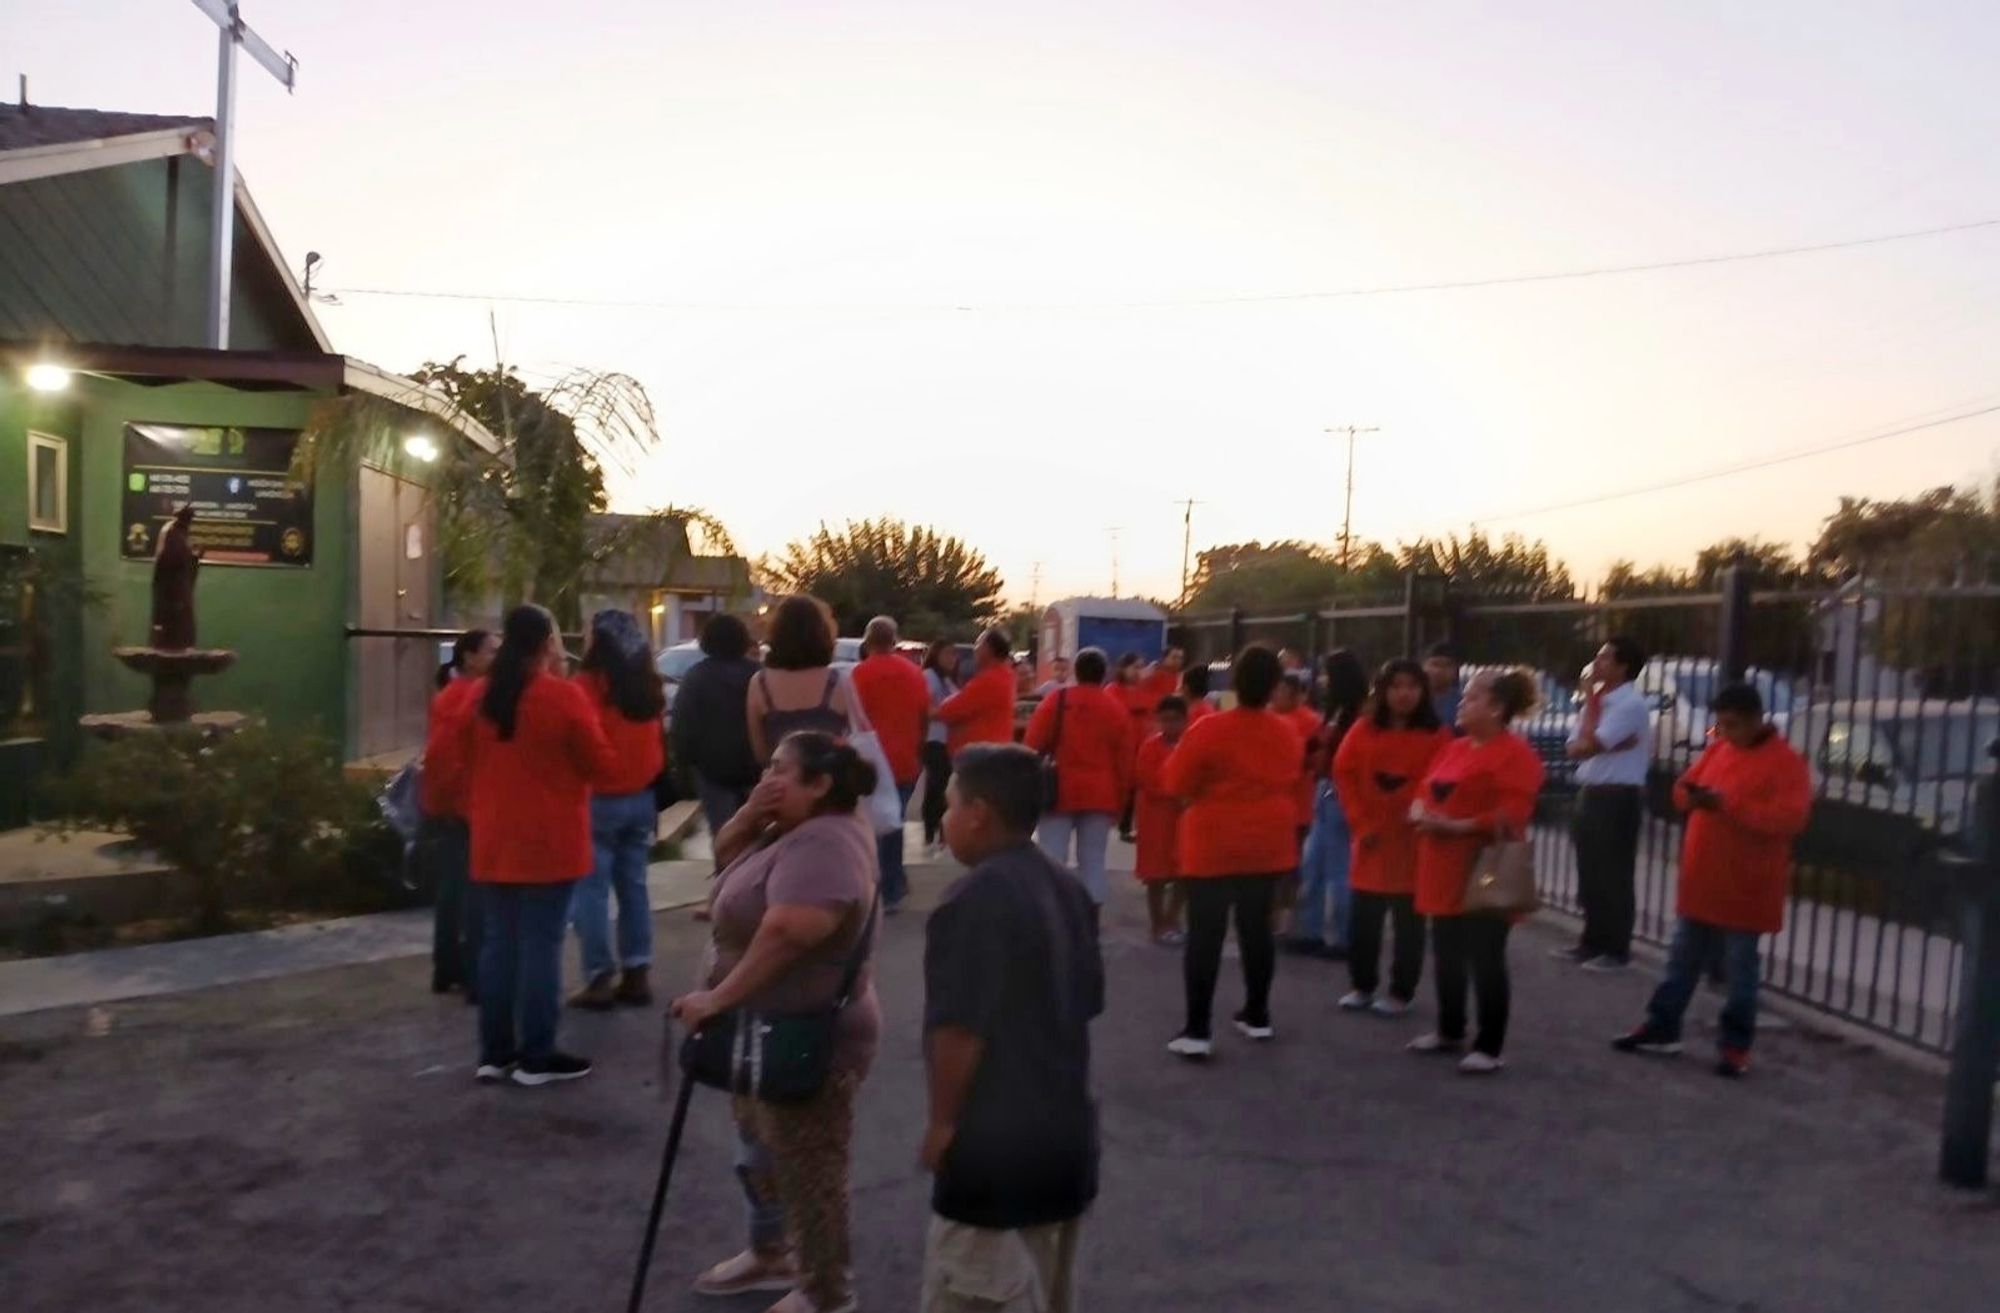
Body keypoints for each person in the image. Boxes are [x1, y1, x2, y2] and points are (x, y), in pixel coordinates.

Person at [672, 732, 882, 1313]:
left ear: (821, 785)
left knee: (809, 1169)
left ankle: (826, 1292)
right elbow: (724, 859)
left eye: (782, 771)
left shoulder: (828, 844)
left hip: (805, 1037)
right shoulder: (785, 826)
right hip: (758, 1029)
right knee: (758, 1151)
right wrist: (747, 813)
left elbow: (790, 933)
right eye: (768, 767)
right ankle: (771, 1252)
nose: (769, 778)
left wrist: (717, 999)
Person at [920, 745, 1103, 1313]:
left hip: (995, 1157)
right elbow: (1085, 1003)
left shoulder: (974, 901)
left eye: (949, 805)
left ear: (979, 812)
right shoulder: (1066, 887)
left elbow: (959, 1031)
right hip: (1064, 1143)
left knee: (973, 1291)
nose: (944, 820)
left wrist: (943, 1124)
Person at [444, 604, 615, 1087]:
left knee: (499, 945)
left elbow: (454, 761)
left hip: (494, 838)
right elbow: (600, 764)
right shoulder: (562, 698)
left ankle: (495, 1053)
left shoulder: (478, 696)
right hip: (549, 841)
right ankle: (537, 1055)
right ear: (547, 644)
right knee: (541, 946)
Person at [1613, 683, 1811, 1077]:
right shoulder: (1720, 748)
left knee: (1741, 967)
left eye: (1732, 725)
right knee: (1681, 958)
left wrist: (1729, 805)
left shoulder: (1786, 763)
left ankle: (1735, 1046)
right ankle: (1662, 1026)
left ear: (1757, 720)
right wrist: (1692, 795)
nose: (1725, 733)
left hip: (1747, 881)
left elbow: (1789, 819)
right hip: (1704, 877)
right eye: (1720, 725)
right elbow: (1682, 788)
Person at [1162, 644, 1302, 1058]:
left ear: (1235, 682)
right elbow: (1292, 775)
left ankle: (1197, 1028)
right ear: (1274, 685)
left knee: (1205, 933)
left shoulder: (1208, 729)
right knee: (1257, 930)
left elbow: (1176, 782)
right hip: (1268, 839)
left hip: (1213, 839)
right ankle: (1257, 1014)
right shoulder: (1287, 731)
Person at [1406, 668, 1546, 1074]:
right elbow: (1424, 788)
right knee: (1447, 952)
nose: (1463, 704)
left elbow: (1513, 813)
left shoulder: (1516, 754)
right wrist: (1420, 810)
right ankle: (1450, 1029)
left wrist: (1456, 826)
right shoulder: (1456, 747)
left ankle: (1489, 1043)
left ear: (1498, 708)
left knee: (1485, 954)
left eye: (1472, 698)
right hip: (1443, 864)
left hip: (1484, 868)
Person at [1332, 658, 1450, 1015]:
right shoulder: (1364, 729)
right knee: (1364, 918)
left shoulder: (1437, 735)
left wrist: (1419, 811)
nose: (1403, 694)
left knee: (1408, 923)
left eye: (1412, 687)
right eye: (1396, 686)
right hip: (1370, 839)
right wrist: (1360, 823)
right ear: (1382, 691)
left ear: (1423, 692)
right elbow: (1344, 773)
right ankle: (1362, 984)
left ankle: (1401, 991)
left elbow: (1441, 782)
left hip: (1413, 841)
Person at [567, 609, 667, 1010]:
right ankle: (637, 971)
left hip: (597, 799)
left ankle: (598, 977)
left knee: (590, 891)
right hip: (641, 797)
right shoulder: (647, 686)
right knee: (634, 886)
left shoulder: (587, 686)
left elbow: (577, 738)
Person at [1559, 635, 1652, 972]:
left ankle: (1616, 949)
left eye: (1605, 658)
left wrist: (1594, 740)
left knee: (1613, 874)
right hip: (1591, 789)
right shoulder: (1597, 703)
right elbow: (1573, 747)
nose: (1596, 664)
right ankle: (1591, 941)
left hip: (1617, 794)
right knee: (1590, 871)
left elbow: (1586, 746)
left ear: (1623, 667)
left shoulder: (1629, 705)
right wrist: (1597, 736)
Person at [1023, 647, 1132, 905]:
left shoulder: (1056, 701)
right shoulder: (1115, 709)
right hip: (1101, 794)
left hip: (1058, 791)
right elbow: (1125, 763)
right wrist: (1121, 803)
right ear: (1104, 673)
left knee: (1052, 857)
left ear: (1075, 671)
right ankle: (1090, 915)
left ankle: (1052, 911)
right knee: (1093, 860)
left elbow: (1032, 745)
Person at [423, 627, 496, 999]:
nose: (496, 657)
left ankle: (446, 966)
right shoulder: (473, 698)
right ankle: (472, 973)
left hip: (450, 805)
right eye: (490, 651)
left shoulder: (447, 695)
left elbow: (437, 757)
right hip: (470, 806)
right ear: (469, 656)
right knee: (475, 895)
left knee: (451, 890)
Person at [1288, 654, 1369, 956]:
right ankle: (1311, 929)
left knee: (1338, 867)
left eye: (1325, 675)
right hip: (1325, 787)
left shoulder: (1357, 714)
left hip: (1338, 790)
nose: (1321, 681)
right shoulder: (1337, 711)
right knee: (1314, 864)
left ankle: (1341, 936)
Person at [852, 615, 929, 911]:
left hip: (869, 762)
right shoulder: (914, 674)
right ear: (894, 641)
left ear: (867, 641)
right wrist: (919, 748)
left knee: (868, 825)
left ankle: (876, 884)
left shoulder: (858, 675)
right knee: (893, 823)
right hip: (905, 759)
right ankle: (893, 887)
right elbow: (923, 716)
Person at [672, 612, 763, 849]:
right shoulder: (758, 674)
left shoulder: (696, 678)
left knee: (724, 840)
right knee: (757, 839)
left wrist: (685, 764)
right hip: (754, 769)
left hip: (713, 772)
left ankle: (726, 882)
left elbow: (682, 725)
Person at [747, 596, 857, 766]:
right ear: (822, 633)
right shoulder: (839, 682)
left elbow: (760, 753)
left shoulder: (759, 684)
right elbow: (854, 740)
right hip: (831, 785)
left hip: (781, 786)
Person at [1133, 696, 1190, 944]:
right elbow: (1147, 779)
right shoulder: (1149, 747)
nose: (1169, 725)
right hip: (1155, 818)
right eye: (1164, 720)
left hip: (1182, 819)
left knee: (1183, 872)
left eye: (1175, 720)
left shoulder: (1190, 745)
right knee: (1155, 876)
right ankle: (1157, 924)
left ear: (1185, 721)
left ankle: (1172, 919)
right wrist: (1177, 794)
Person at [936, 628, 1019, 753]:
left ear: (988, 649)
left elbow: (948, 710)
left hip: (980, 759)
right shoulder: (1005, 675)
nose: (975, 649)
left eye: (978, 644)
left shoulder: (990, 680)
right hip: (991, 753)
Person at [921, 641, 966, 856]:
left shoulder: (950, 680)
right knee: (936, 787)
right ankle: (931, 833)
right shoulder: (930, 676)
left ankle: (942, 835)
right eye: (947, 654)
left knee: (946, 787)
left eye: (954, 655)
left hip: (949, 740)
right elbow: (928, 706)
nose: (951, 659)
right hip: (934, 739)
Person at [1423, 643, 1463, 732]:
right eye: (1435, 664)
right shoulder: (1414, 699)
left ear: (1456, 670)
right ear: (1424, 667)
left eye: (1447, 665)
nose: (1439, 671)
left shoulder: (1463, 703)